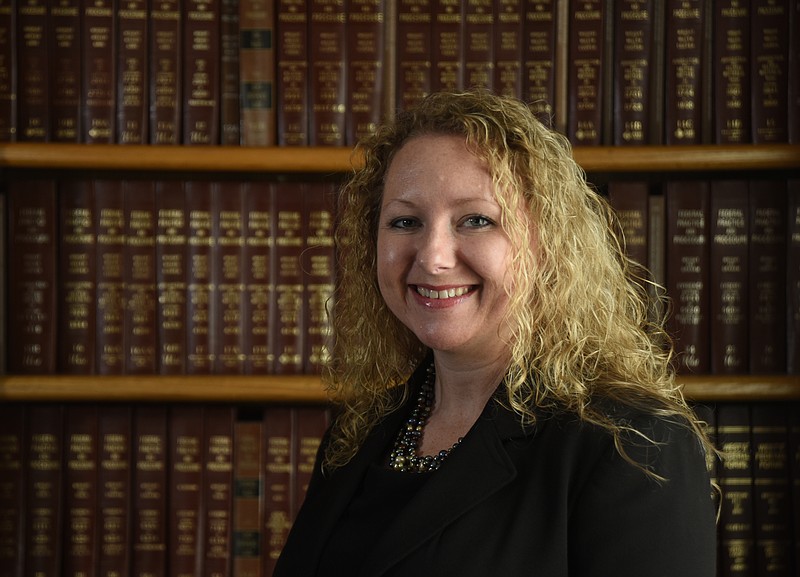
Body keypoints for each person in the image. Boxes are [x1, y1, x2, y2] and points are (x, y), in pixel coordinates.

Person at [274, 90, 718, 577]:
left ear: (546, 245)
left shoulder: (632, 444)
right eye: (405, 222)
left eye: (477, 220)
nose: (433, 257)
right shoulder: (356, 436)